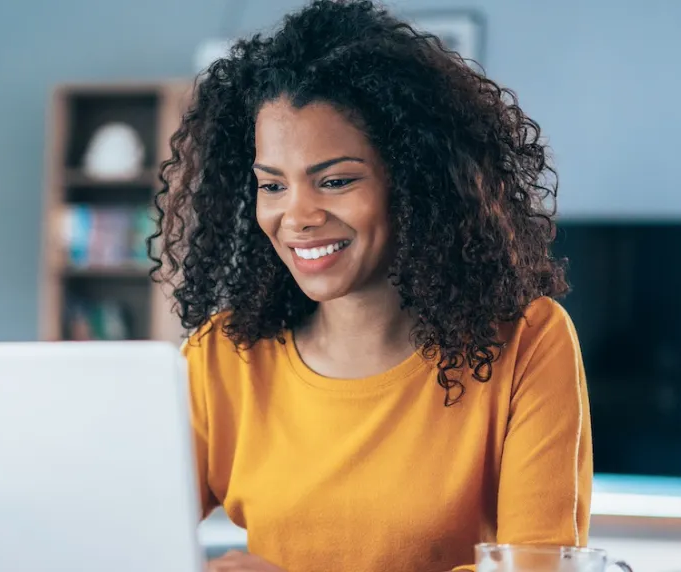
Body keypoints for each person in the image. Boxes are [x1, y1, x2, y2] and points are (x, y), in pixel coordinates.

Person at [149, 1, 592, 570]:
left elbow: (538, 567)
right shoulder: (224, 356)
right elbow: (125, 533)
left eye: (335, 181)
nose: (297, 216)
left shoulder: (527, 341)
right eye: (272, 186)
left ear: (414, 183)